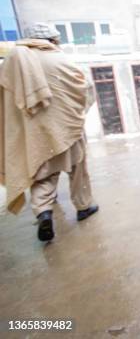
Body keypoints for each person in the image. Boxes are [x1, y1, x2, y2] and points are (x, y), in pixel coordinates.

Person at [0, 23, 98, 242]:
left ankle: (43, 212)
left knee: (42, 175)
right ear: (53, 40)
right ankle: (83, 207)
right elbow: (86, 90)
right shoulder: (62, 60)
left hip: (34, 135)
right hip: (67, 129)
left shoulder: (11, 63)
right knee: (77, 169)